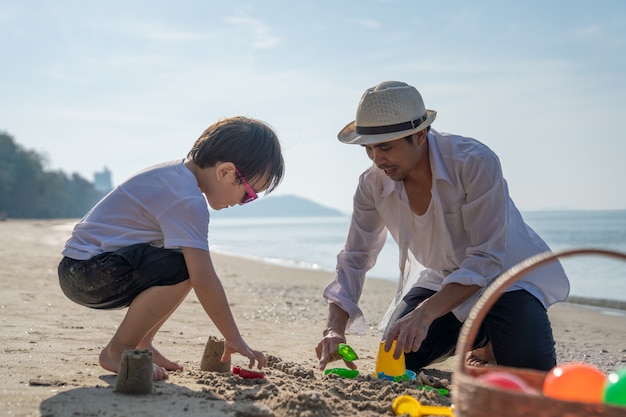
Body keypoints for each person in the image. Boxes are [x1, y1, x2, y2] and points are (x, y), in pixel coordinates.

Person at [316, 81, 569, 373]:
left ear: (420, 134)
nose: (377, 159)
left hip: (505, 279)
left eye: (385, 147)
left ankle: (493, 340)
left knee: (531, 368)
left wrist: (424, 315)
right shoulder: (371, 183)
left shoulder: (474, 162)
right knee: (397, 356)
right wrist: (333, 328)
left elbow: (485, 259)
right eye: (368, 149)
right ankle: (483, 337)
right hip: (442, 280)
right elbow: (355, 258)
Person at [58, 116, 284, 380]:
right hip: (89, 273)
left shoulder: (176, 175)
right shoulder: (187, 200)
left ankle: (143, 343)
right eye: (249, 194)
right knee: (183, 267)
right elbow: (203, 278)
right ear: (225, 171)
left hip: (80, 268)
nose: (245, 202)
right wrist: (233, 337)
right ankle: (119, 349)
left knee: (179, 262)